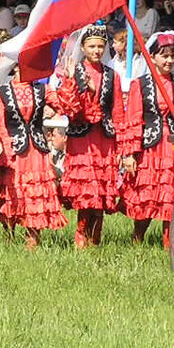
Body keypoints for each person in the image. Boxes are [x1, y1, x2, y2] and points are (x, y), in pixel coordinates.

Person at [118, 32, 174, 246]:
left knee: (172, 195)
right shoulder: (140, 85)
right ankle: (138, 238)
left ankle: (169, 242)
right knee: (148, 194)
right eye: (164, 56)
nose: (169, 60)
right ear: (152, 57)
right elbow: (133, 119)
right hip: (150, 148)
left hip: (173, 149)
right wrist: (130, 153)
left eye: (172, 56)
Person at [0, 64, 67, 249]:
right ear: (15, 67)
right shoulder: (1, 93)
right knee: (11, 191)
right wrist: (0, 143)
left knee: (35, 193)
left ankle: (33, 241)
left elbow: (63, 105)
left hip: (36, 149)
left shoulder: (42, 89)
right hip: (13, 149)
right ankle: (9, 240)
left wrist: (67, 80)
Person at [54, 25, 121, 248]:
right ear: (83, 47)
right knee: (86, 189)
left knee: (101, 189)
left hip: (104, 138)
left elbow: (118, 110)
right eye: (92, 46)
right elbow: (69, 109)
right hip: (82, 140)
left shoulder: (112, 75)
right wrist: (80, 85)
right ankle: (81, 237)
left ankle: (96, 239)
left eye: (101, 46)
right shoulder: (74, 72)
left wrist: (121, 144)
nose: (97, 50)